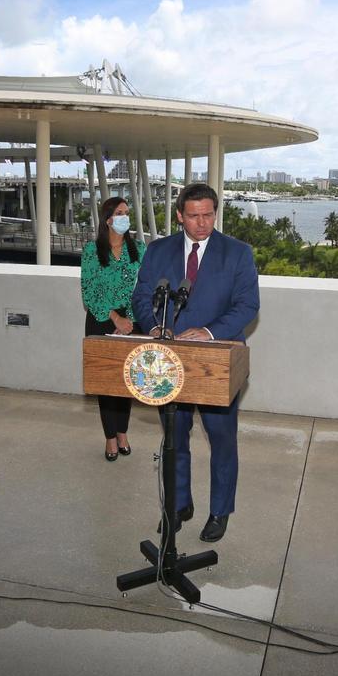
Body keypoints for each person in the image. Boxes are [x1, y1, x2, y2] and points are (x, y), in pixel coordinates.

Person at [131, 183, 259, 543]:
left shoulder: (238, 253)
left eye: (208, 214)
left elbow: (247, 306)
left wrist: (207, 331)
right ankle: (178, 503)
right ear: (179, 216)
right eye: (194, 216)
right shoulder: (157, 251)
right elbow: (142, 296)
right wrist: (153, 325)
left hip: (216, 363)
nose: (202, 223)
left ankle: (219, 511)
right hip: (167, 361)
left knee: (221, 440)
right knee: (175, 436)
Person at [81, 196, 146, 461]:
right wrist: (115, 318)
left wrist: (128, 320)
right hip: (101, 320)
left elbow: (143, 288)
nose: (125, 217)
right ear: (108, 219)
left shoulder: (139, 249)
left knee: (126, 381)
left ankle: (123, 432)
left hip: (132, 322)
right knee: (106, 383)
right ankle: (110, 437)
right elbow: (89, 292)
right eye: (120, 213)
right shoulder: (92, 251)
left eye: (127, 213)